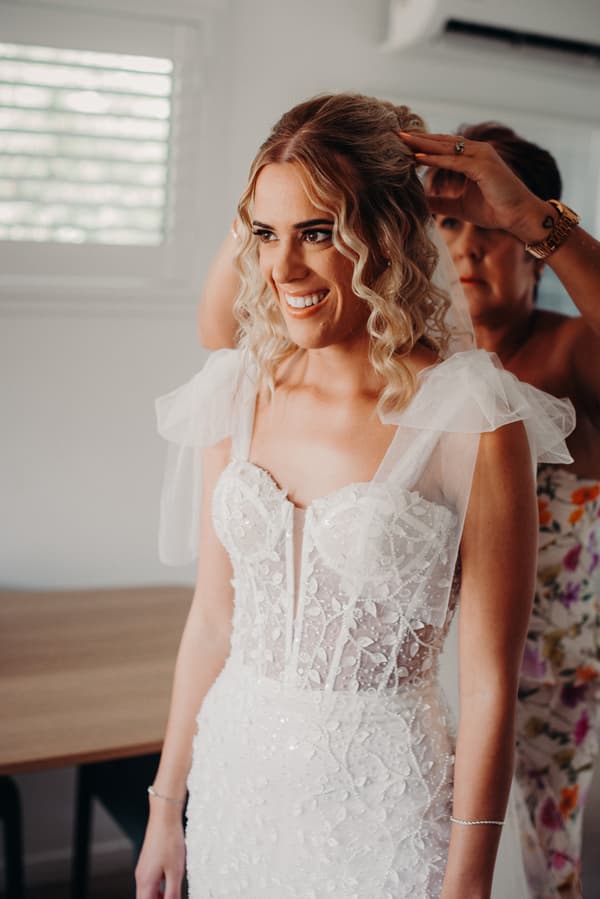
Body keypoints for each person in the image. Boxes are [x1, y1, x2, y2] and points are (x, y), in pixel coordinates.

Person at [135, 94, 573, 899]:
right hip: (236, 786)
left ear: (387, 235)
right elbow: (210, 621)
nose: (284, 269)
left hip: (387, 812)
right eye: (265, 234)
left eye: (319, 232)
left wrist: (468, 879)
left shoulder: (470, 418)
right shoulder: (235, 393)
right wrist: (167, 804)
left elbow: (485, 685)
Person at [398, 124, 600, 899]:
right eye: (450, 224)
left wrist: (538, 216)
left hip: (545, 690)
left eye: (492, 228)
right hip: (434, 684)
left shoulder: (571, 352)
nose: (467, 249)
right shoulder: (423, 369)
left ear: (532, 244)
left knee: (539, 874)